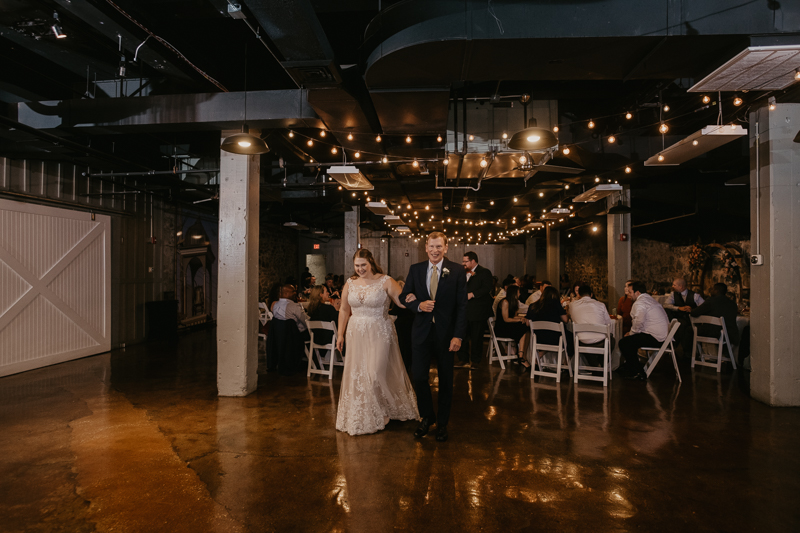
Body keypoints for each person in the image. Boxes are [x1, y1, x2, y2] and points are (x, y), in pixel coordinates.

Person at [335, 249, 418, 436]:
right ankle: (373, 413)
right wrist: (340, 335)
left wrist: (412, 298)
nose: (360, 269)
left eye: (363, 265)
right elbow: (343, 310)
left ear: (371, 262)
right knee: (359, 374)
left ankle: (381, 409)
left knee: (374, 373)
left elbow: (401, 301)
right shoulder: (350, 283)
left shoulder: (386, 280)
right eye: (357, 266)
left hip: (379, 331)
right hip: (355, 332)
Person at [400, 232, 467, 443]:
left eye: (439, 246)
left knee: (446, 380)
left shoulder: (456, 270)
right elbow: (404, 296)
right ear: (426, 247)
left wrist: (458, 336)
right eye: (431, 246)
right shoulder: (416, 269)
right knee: (419, 376)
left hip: (447, 336)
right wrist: (418, 305)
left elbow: (462, 306)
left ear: (446, 248)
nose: (435, 250)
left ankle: (443, 424)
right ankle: (427, 417)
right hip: (421, 333)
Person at [618, 281, 670, 381]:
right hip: (662, 335)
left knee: (624, 342)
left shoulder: (640, 303)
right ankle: (630, 366)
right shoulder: (649, 299)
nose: (628, 294)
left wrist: (631, 333)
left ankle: (638, 372)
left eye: (630, 292)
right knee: (630, 341)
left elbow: (639, 322)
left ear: (637, 292)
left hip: (656, 337)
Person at [457, 251, 493, 368]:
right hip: (464, 311)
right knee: (463, 335)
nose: (463, 263)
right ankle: (463, 359)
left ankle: (476, 361)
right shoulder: (463, 273)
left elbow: (487, 288)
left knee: (476, 337)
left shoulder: (484, 272)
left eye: (465, 261)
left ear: (473, 261)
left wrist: (472, 294)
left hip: (478, 311)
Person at [569, 284, 615, 365]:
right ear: (591, 294)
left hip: (582, 341)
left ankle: (594, 365)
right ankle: (602, 362)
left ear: (578, 295)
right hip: (601, 342)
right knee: (612, 340)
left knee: (584, 343)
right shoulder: (601, 305)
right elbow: (608, 323)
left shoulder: (572, 305)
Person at [526, 285, 573, 357]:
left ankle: (540, 355)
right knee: (571, 337)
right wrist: (567, 312)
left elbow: (527, 323)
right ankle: (566, 363)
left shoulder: (533, 306)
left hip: (538, 338)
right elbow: (566, 320)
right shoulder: (556, 305)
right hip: (555, 339)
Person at [663, 277, 704, 353]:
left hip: (691, 320)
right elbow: (666, 305)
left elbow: (704, 307)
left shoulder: (695, 296)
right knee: (680, 324)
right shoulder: (673, 294)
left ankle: (682, 349)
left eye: (674, 285)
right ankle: (681, 349)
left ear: (681, 286)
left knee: (682, 326)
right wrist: (678, 308)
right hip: (679, 317)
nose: (672, 286)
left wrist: (692, 310)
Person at [495, 285, 530, 369]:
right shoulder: (505, 302)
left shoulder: (514, 302)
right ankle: (521, 356)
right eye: (518, 292)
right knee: (523, 328)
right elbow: (506, 319)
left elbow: (514, 316)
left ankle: (522, 354)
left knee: (526, 327)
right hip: (501, 328)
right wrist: (519, 320)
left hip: (508, 325)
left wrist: (522, 318)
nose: (519, 294)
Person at [389, 280, 414, 374]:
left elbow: (395, 311)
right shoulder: (410, 297)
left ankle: (404, 367)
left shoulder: (400, 298)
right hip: (411, 323)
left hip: (402, 325)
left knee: (402, 346)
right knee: (409, 346)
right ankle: (409, 366)